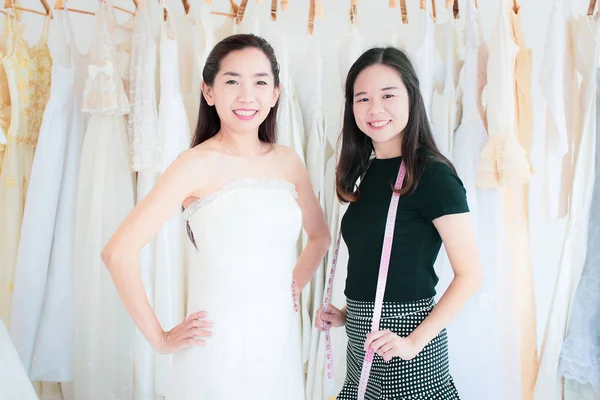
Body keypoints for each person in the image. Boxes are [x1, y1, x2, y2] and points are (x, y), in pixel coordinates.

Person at [102, 34, 331, 399]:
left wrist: (291, 285)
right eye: (231, 82)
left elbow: (319, 236)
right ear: (208, 92)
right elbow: (117, 252)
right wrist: (160, 338)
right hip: (215, 346)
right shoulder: (195, 164)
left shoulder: (288, 160)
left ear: (275, 94)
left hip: (277, 341)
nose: (246, 96)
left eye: (260, 82)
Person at [316, 47, 482, 399]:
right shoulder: (366, 172)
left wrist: (412, 343)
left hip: (410, 345)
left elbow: (471, 275)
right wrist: (346, 315)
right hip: (363, 338)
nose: (375, 109)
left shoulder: (433, 175)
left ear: (412, 97)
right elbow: (383, 263)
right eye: (362, 99)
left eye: (388, 95)